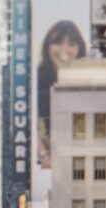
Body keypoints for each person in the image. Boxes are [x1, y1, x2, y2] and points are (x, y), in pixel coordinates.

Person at [37, 20, 86, 167]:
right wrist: (44, 156)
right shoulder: (36, 80)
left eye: (71, 44)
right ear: (47, 46)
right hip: (46, 162)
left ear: (80, 49)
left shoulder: (87, 79)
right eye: (58, 43)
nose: (64, 50)